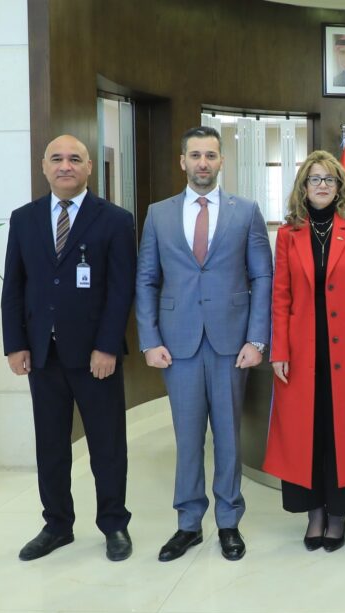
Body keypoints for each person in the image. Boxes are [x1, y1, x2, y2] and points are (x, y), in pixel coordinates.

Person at [136, 126, 273, 562]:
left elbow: (262, 277)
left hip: (232, 343)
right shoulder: (158, 214)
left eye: (210, 155)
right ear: (183, 161)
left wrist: (257, 338)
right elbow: (147, 279)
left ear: (221, 161)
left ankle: (229, 522)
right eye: (195, 155)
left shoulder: (245, 211)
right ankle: (188, 524)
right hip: (177, 344)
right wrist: (149, 340)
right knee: (187, 437)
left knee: (229, 437)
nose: (203, 163)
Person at [1, 134, 136, 562]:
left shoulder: (115, 220)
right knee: (51, 445)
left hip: (96, 356)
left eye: (74, 159)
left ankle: (114, 524)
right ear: (43, 167)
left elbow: (121, 290)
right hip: (42, 353)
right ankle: (57, 525)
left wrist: (108, 346)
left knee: (107, 445)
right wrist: (15, 344)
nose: (65, 166)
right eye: (56, 158)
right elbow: (14, 287)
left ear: (89, 167)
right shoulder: (24, 219)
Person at [263, 150, 345, 553]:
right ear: (303, 186)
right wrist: (279, 350)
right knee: (305, 434)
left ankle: (339, 514)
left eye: (329, 179)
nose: (322, 186)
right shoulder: (288, 234)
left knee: (340, 434)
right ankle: (314, 514)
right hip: (300, 353)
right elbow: (280, 296)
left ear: (340, 186)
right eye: (314, 179)